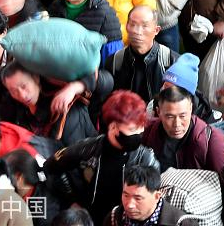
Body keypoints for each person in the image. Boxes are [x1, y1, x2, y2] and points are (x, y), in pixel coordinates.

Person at [42, 89, 150, 223]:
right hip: (91, 217)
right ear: (113, 127)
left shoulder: (146, 159)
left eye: (142, 127)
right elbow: (52, 166)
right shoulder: (88, 149)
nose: (140, 133)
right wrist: (71, 198)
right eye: (133, 129)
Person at [142, 83, 224, 172]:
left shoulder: (211, 140)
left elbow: (223, 179)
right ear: (158, 112)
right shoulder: (148, 131)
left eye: (182, 116)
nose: (177, 124)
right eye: (170, 117)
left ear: (191, 109)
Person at [107, 165, 190, 226]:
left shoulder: (181, 223)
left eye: (138, 198)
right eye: (126, 195)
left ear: (157, 196)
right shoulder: (114, 217)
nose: (129, 205)